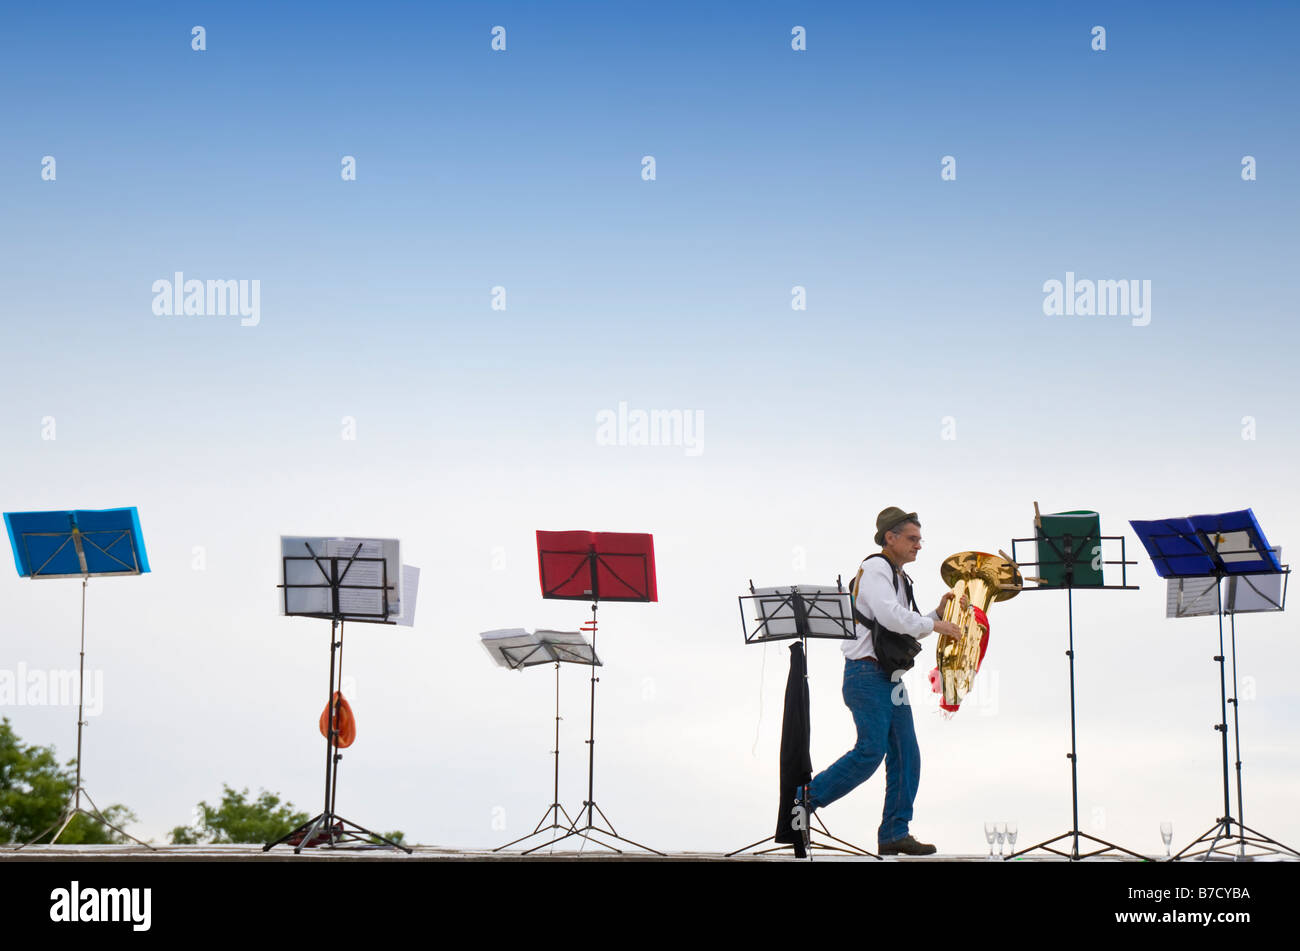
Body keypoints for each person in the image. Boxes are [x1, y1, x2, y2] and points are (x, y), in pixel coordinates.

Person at [802, 507, 963, 855]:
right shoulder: (876, 567)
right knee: (871, 751)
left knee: (907, 753)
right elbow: (891, 617)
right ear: (890, 537)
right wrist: (937, 625)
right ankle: (803, 802)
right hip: (866, 673)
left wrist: (936, 613)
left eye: (919, 540)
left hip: (888, 678)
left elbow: (900, 621)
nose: (919, 545)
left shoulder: (898, 575)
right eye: (912, 538)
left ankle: (894, 832)